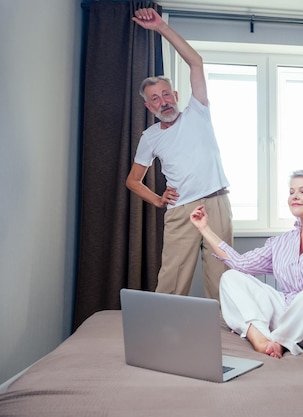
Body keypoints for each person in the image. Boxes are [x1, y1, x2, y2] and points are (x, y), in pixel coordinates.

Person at [189, 168, 303, 358]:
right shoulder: (280, 243)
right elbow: (240, 264)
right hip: (292, 312)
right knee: (231, 278)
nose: (294, 196)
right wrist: (204, 229)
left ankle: (279, 339)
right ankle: (261, 338)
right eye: (291, 192)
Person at [126, 8, 232, 300]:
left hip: (217, 202)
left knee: (223, 279)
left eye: (166, 94)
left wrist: (161, 27)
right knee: (171, 282)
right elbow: (133, 181)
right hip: (181, 212)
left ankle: (226, 342)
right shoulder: (150, 138)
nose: (163, 101)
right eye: (155, 98)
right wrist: (158, 199)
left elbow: (195, 62)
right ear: (150, 107)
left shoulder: (197, 112)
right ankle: (162, 338)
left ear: (175, 95)